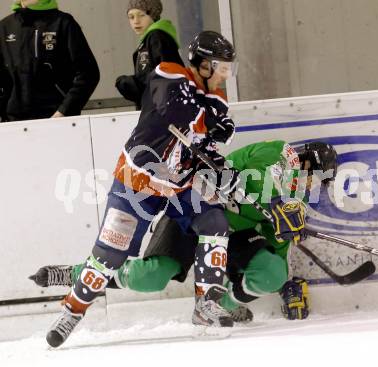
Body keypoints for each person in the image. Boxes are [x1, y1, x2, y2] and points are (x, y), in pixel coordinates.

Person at [44, 30, 239, 348]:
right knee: (110, 255)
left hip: (180, 184)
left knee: (215, 222)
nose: (226, 74)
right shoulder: (170, 73)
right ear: (203, 64)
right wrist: (208, 129)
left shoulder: (217, 96)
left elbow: (207, 144)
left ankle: (206, 306)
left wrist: (221, 166)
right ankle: (72, 309)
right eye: (222, 66)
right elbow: (175, 113)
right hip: (139, 181)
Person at [31, 140, 338, 323]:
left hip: (232, 236)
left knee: (272, 272)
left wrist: (283, 281)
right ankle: (76, 274)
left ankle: (220, 303)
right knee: (149, 279)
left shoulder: (296, 203)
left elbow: (276, 247)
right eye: (318, 178)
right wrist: (258, 196)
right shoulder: (277, 154)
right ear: (308, 164)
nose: (315, 186)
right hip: (195, 213)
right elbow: (231, 166)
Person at [0, 0, 100, 122]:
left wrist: (64, 111)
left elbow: (89, 73)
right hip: (14, 123)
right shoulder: (4, 26)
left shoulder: (63, 22)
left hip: (57, 121)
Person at [116, 0, 184, 109]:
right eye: (131, 17)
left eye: (141, 15)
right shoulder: (152, 38)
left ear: (153, 15)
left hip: (160, 112)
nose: (136, 21)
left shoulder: (156, 37)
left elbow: (167, 78)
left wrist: (129, 84)